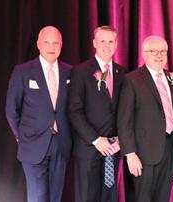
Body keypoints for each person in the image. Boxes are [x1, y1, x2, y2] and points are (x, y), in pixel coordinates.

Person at [5, 26, 72, 202]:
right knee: (38, 196)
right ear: (38, 44)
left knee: (56, 196)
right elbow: (11, 110)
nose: (51, 47)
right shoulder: (23, 71)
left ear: (61, 45)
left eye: (56, 42)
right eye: (47, 42)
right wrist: (22, 137)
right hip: (32, 144)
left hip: (61, 144)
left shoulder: (70, 72)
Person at [117, 35, 173, 202]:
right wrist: (130, 153)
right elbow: (124, 120)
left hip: (170, 149)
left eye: (163, 51)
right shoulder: (132, 80)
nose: (159, 55)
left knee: (163, 197)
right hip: (143, 152)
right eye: (154, 51)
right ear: (144, 54)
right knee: (143, 198)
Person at [68, 25, 126, 202]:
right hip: (89, 149)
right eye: (102, 41)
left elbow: (124, 110)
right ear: (94, 43)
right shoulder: (81, 71)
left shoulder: (121, 72)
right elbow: (74, 111)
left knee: (109, 197)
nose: (106, 45)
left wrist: (120, 139)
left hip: (113, 148)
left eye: (110, 41)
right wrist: (96, 139)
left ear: (116, 44)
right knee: (87, 197)